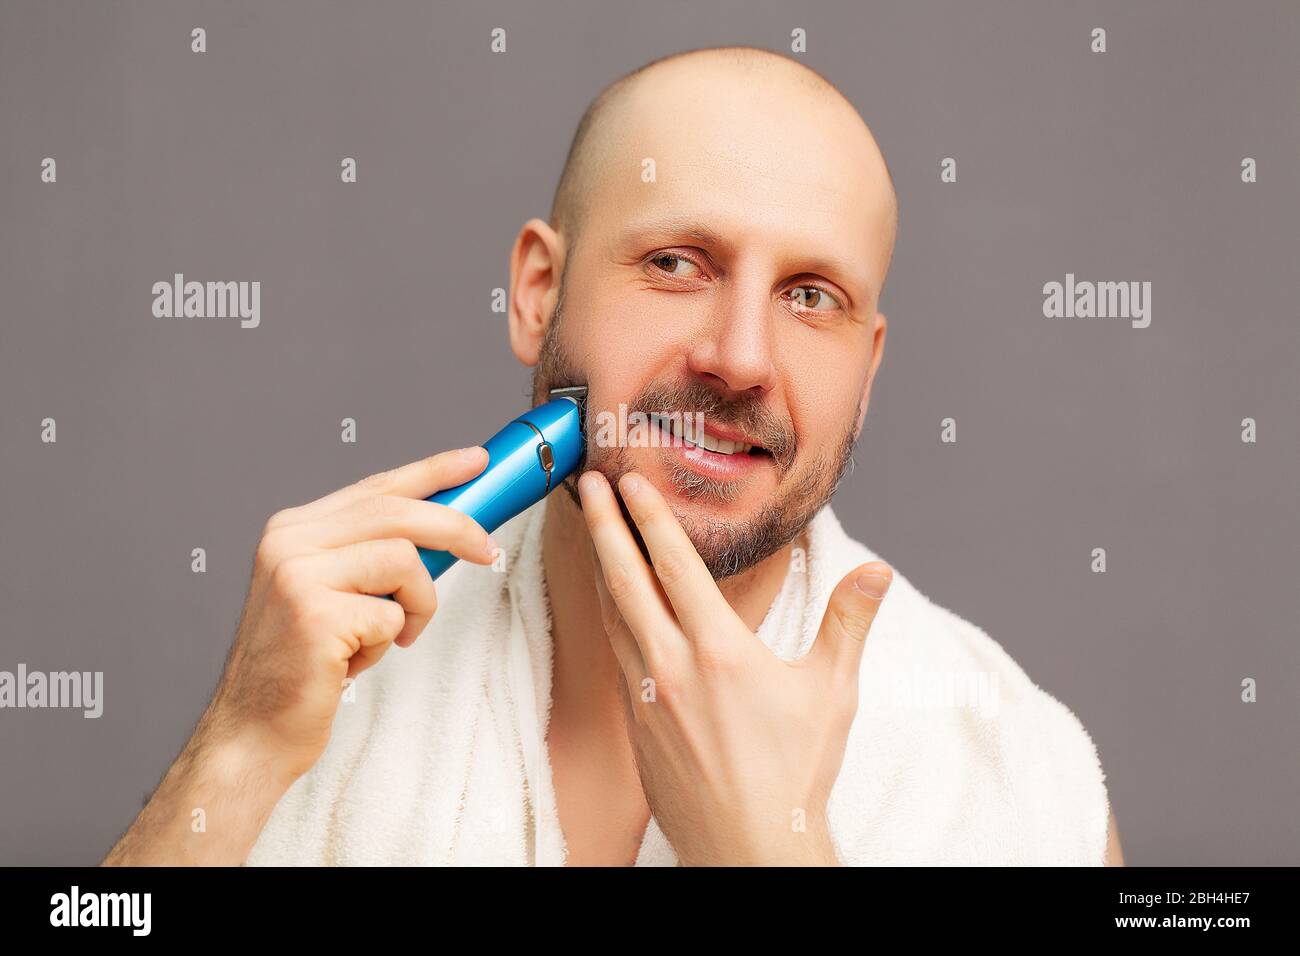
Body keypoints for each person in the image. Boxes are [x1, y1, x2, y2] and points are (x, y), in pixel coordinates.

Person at [103, 45, 1123, 866]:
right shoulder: (336, 683)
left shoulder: (1010, 767)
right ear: (538, 290)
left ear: (867, 362)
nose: (739, 357)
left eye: (811, 295)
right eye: (676, 263)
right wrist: (236, 751)